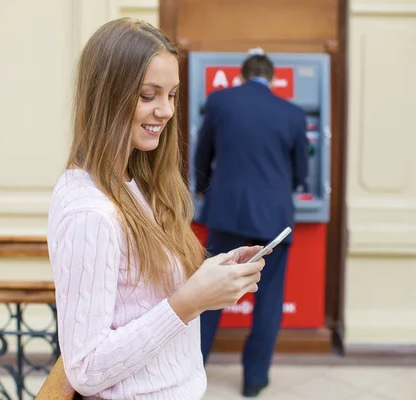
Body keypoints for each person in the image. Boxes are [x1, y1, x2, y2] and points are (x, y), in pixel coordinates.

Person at [47, 18, 269, 399]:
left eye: (171, 95)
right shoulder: (92, 212)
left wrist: (208, 278)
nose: (165, 111)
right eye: (148, 95)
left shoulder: (134, 182)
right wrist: (189, 301)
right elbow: (84, 368)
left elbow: (138, 300)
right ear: (107, 96)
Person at [195, 53, 309, 397]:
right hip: (273, 216)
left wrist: (204, 190)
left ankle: (192, 367)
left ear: (241, 76)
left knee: (210, 290)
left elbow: (202, 155)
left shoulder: (219, 102)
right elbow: (301, 172)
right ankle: (255, 379)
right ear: (271, 79)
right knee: (269, 298)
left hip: (226, 210)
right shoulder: (293, 113)